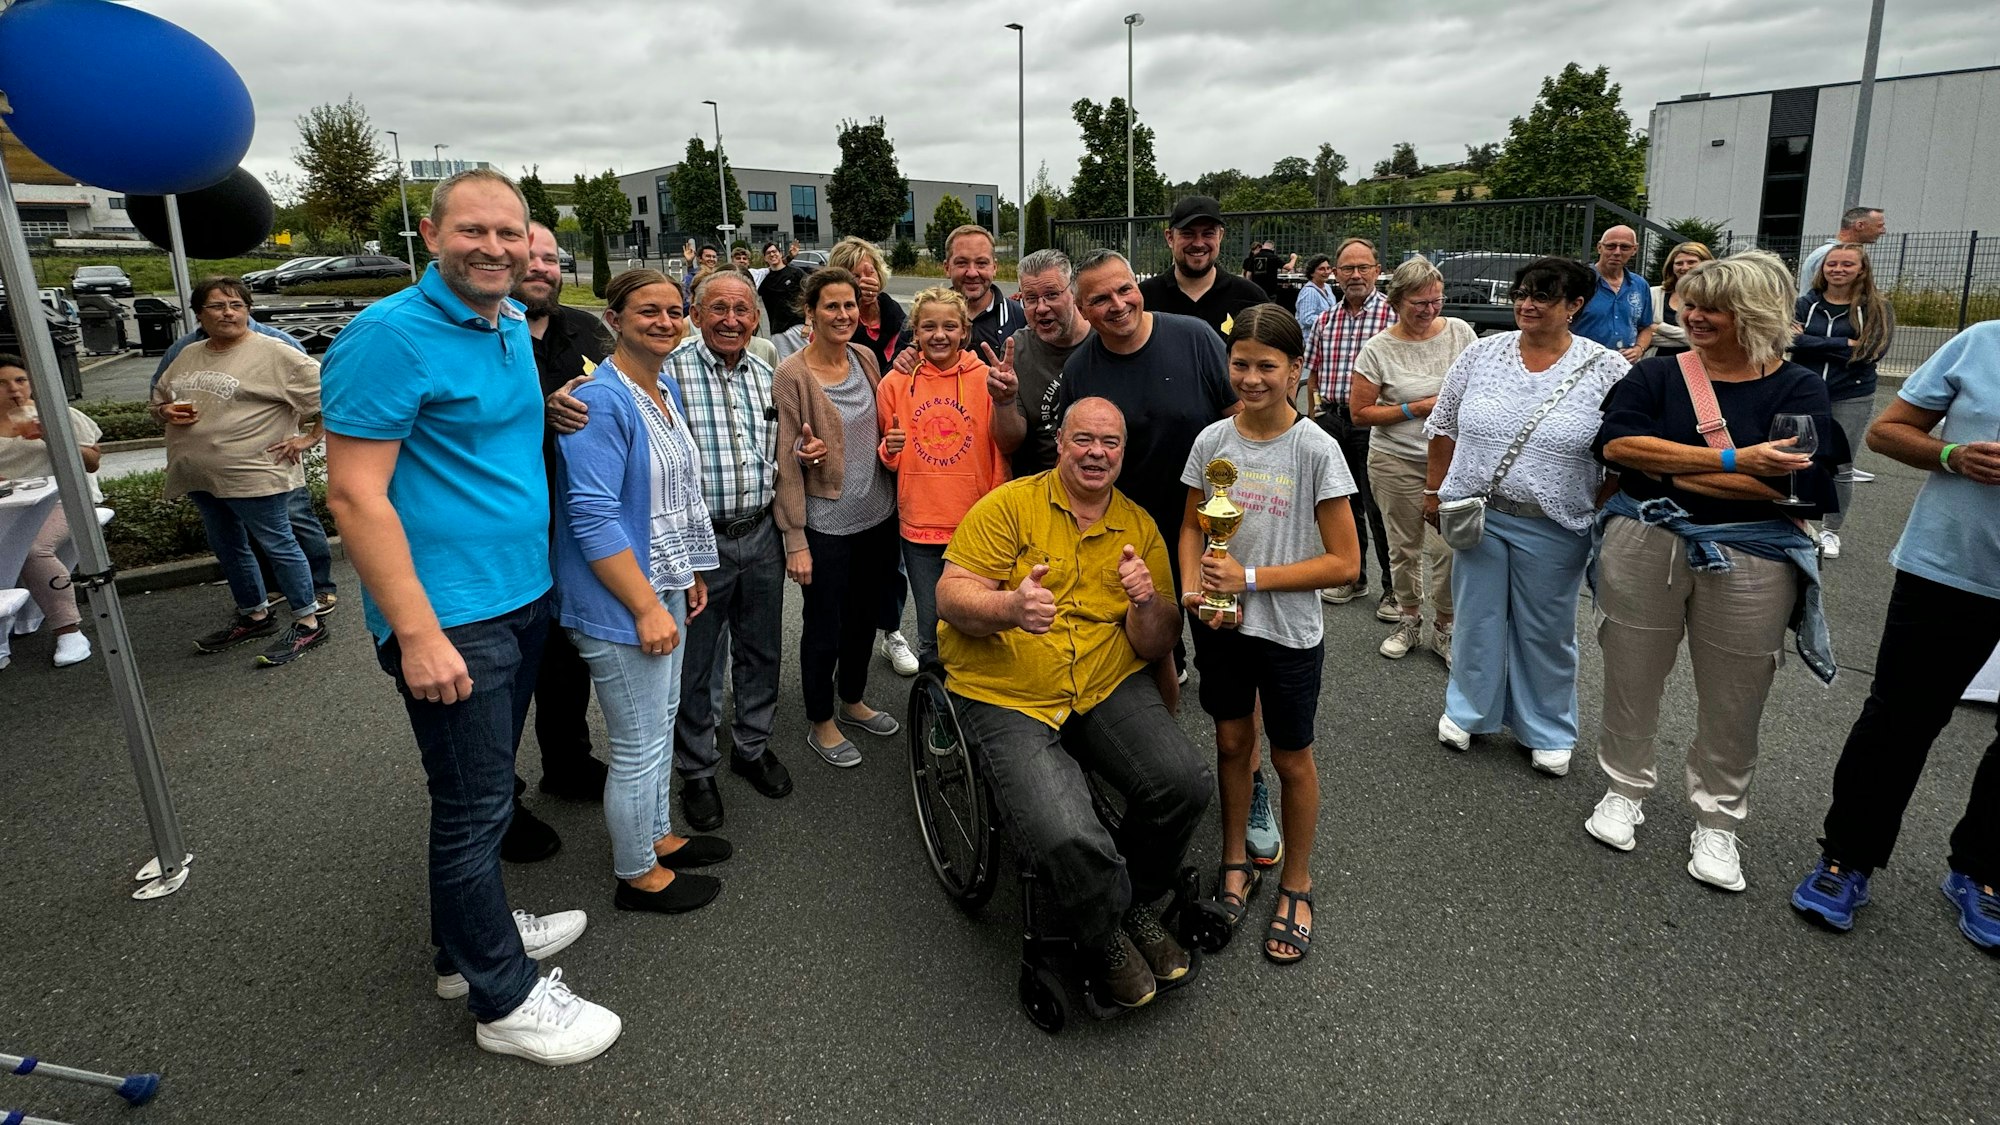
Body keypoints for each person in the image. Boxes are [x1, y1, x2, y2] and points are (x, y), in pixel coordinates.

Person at [322, 168, 618, 1065]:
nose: (494, 249)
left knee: (480, 796)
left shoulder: (498, 329)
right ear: (431, 231)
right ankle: (503, 997)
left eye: (511, 234)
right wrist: (415, 631)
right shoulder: (389, 338)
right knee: (473, 804)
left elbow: (491, 447)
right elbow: (354, 493)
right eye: (473, 231)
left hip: (521, 596)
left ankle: (466, 946)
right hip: (454, 616)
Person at [938, 396, 1212, 1008]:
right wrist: (1010, 607)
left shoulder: (1139, 525)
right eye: (1083, 440)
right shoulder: (1009, 506)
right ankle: (1105, 931)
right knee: (1065, 833)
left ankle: (1134, 903)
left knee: (1184, 783)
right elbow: (951, 596)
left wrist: (1146, 603)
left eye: (1109, 443)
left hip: (1101, 681)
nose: (1096, 453)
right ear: (1060, 443)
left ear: (1122, 453)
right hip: (1009, 690)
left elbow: (1160, 640)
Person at [1586, 250, 1841, 893]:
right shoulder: (1657, 376)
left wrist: (1668, 470)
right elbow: (1616, 447)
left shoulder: (1799, 387)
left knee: (1737, 693)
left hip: (1753, 555)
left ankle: (1719, 820)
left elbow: (1797, 492)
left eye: (1712, 308)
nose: (1694, 316)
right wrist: (1737, 460)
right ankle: (1623, 789)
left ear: (1752, 313)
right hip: (1645, 543)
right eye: (1689, 304)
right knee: (1629, 673)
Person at [1787, 320, 2000, 949]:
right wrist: (1951, 455)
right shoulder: (1982, 342)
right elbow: (1886, 432)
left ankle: (1983, 871)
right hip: (1953, 569)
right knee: (1901, 720)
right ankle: (1846, 858)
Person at [1178, 307, 1359, 964]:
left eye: (1267, 366)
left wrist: (1249, 576)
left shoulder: (1316, 448)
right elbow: (1193, 526)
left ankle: (1297, 880)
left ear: (1296, 369)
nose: (1252, 378)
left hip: (1287, 633)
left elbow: (1346, 562)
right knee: (1230, 741)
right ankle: (1234, 858)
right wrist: (1192, 588)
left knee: (1290, 758)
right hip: (1223, 625)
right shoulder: (1212, 440)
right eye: (1241, 364)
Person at [552, 268, 728, 915]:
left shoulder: (663, 388)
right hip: (621, 603)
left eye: (674, 310)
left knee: (658, 724)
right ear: (615, 318)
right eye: (647, 310)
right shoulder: (603, 400)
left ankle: (658, 836)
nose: (664, 320)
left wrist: (688, 572)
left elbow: (673, 493)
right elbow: (592, 514)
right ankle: (636, 873)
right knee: (638, 743)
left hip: (663, 584)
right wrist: (648, 604)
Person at [1426, 258, 1630, 778]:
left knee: (1547, 628)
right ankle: (1468, 710)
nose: (1527, 303)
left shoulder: (1607, 368)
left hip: (1556, 521)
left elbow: (1624, 451)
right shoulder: (1482, 353)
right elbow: (1444, 426)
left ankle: (1548, 728)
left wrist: (1598, 504)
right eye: (1523, 293)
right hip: (1479, 514)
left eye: (1544, 295)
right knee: (1478, 618)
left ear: (1575, 305)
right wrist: (1434, 492)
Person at [663, 270, 817, 833]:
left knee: (761, 649)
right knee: (697, 662)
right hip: (698, 542)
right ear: (696, 314)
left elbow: (783, 445)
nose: (732, 320)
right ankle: (697, 768)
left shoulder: (767, 373)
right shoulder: (667, 372)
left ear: (757, 319)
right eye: (718, 309)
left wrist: (805, 448)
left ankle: (751, 747)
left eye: (742, 310)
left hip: (760, 534)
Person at [1055, 250, 1236, 677]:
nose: (1118, 305)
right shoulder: (1079, 369)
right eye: (1100, 299)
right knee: (1152, 654)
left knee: (1223, 650)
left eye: (1124, 289)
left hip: (1209, 521)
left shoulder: (1196, 337)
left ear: (1138, 286)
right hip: (1133, 530)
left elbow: (1239, 420)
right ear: (1082, 310)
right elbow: (1075, 457)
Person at [152, 276, 328, 667]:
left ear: (248, 310)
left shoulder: (275, 353)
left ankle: (308, 620)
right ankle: (255, 613)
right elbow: (160, 398)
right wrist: (165, 411)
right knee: (228, 545)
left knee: (277, 543)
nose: (228, 312)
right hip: (199, 473)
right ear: (199, 314)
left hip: (253, 471)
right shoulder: (189, 353)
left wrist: (308, 438)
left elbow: (334, 395)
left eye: (237, 305)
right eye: (217, 306)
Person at [774, 267, 902, 767]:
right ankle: (820, 719)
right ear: (811, 312)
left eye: (850, 305)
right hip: (825, 526)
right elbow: (786, 461)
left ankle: (852, 700)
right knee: (823, 623)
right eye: (832, 305)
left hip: (876, 515)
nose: (844, 314)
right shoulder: (792, 375)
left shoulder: (866, 358)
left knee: (865, 618)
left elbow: (883, 421)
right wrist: (795, 538)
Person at [875, 286, 1020, 668]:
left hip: (974, 526)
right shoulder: (893, 385)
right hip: (920, 526)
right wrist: (889, 449)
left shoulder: (986, 379)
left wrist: (994, 516)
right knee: (932, 627)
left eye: (950, 326)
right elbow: (889, 460)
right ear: (916, 333)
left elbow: (998, 454)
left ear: (964, 332)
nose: (939, 335)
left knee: (979, 622)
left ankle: (976, 704)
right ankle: (936, 712)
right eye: (928, 327)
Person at [519, 221, 613, 809]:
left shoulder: (583, 329)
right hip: (511, 532)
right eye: (530, 258)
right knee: (504, 674)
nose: (541, 269)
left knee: (564, 658)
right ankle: (499, 802)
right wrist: (538, 414)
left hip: (578, 525)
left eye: (551, 260)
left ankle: (567, 762)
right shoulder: (487, 337)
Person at [1350, 258, 1476, 666]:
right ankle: (1408, 619)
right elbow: (1360, 413)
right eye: (1419, 303)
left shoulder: (1460, 333)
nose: (1429, 310)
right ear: (1396, 302)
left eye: (1436, 301)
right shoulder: (1378, 349)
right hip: (1395, 460)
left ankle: (1444, 626)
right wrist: (1419, 408)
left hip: (1455, 462)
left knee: (1449, 549)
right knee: (1404, 547)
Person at [823, 236, 916, 678]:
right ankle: (847, 636)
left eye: (871, 271)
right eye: (855, 272)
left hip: (905, 450)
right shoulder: (840, 328)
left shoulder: (906, 321)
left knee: (892, 557)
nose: (866, 280)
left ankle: (891, 630)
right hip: (859, 456)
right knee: (854, 563)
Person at [1303, 237, 1396, 616]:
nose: (1355, 275)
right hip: (1334, 418)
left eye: (1363, 267)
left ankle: (1394, 590)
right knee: (1342, 502)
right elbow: (1311, 369)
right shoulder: (1327, 319)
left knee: (1380, 506)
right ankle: (1354, 576)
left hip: (1376, 421)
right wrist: (1313, 413)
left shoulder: (1393, 315)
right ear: (1335, 274)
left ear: (1377, 270)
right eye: (1347, 269)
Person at [1794, 243, 1894, 559]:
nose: (1837, 269)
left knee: (1840, 465)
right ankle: (1793, 520)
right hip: (1804, 392)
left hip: (1851, 395)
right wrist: (1843, 343)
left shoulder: (1877, 307)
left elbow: (1871, 351)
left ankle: (1830, 531)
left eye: (1846, 265)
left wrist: (1811, 344)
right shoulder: (1804, 303)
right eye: (1832, 264)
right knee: (1794, 456)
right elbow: (1786, 338)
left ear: (1861, 270)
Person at [0, 354, 100, 667]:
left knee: (32, 549)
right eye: (2, 384)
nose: (14, 390)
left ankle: (68, 630)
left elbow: (92, 461)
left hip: (62, 499)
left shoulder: (58, 415)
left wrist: (52, 435)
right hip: (9, 504)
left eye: (20, 380)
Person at [1009, 249, 1093, 478]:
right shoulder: (1016, 350)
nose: (1042, 307)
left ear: (1074, 292)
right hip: (1043, 486)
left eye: (1052, 295)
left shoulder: (1105, 337)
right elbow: (1008, 443)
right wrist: (1002, 402)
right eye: (1031, 299)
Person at [1137, 195, 1267, 335]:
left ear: (1220, 236)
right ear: (1170, 238)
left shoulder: (1251, 299)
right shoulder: (1143, 300)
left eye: (1208, 234)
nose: (1198, 243)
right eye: (1188, 234)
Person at [1572, 225, 1654, 362]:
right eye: (1610, 246)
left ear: (1635, 250)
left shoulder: (1640, 285)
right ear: (1599, 247)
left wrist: (1639, 349)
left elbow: (1646, 326)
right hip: (1581, 362)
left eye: (1625, 247)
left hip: (1623, 365)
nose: (1617, 252)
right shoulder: (1579, 280)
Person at [1798, 206, 1886, 298]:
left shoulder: (1833, 253)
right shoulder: (1830, 254)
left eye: (1847, 265)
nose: (1883, 231)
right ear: (1860, 225)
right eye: (1879, 226)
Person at [1649, 241, 1713, 359]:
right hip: (1656, 362)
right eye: (1679, 263)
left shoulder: (1713, 297)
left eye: (1691, 262)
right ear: (1671, 267)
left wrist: (1660, 328)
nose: (1684, 267)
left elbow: (1712, 337)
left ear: (1706, 264)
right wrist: (1691, 338)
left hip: (1698, 363)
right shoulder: (1653, 294)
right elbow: (1646, 334)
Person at [758, 242, 808, 337]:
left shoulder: (796, 273)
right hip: (777, 332)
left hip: (798, 327)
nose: (772, 254)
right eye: (768, 253)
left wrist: (808, 324)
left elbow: (811, 295)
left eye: (774, 251)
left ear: (780, 254)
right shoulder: (763, 280)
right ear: (765, 258)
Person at [1292, 255, 1334, 337]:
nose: (1326, 272)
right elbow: (1306, 319)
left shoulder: (1327, 287)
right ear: (1311, 273)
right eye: (1321, 269)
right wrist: (1330, 319)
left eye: (1328, 268)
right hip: (1310, 339)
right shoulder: (1309, 291)